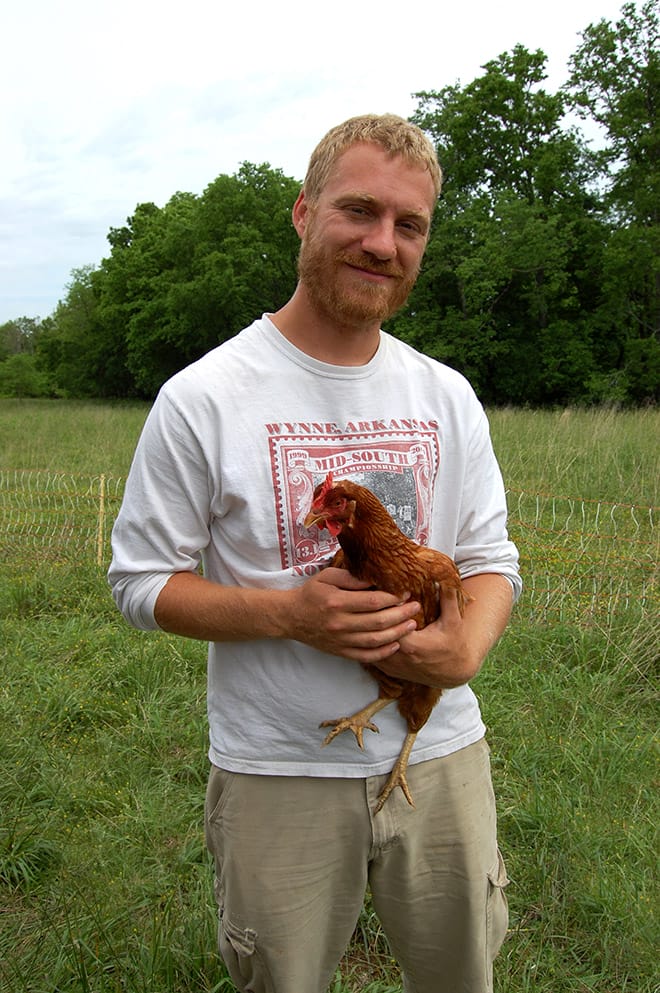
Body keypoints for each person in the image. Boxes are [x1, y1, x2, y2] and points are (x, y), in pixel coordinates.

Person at [109, 113, 521, 993]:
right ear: (303, 213)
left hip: (442, 749)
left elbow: (492, 557)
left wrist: (468, 644)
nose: (383, 243)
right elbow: (140, 582)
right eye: (359, 212)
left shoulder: (446, 394)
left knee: (463, 976)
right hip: (277, 769)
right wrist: (288, 613)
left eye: (408, 225)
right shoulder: (204, 397)